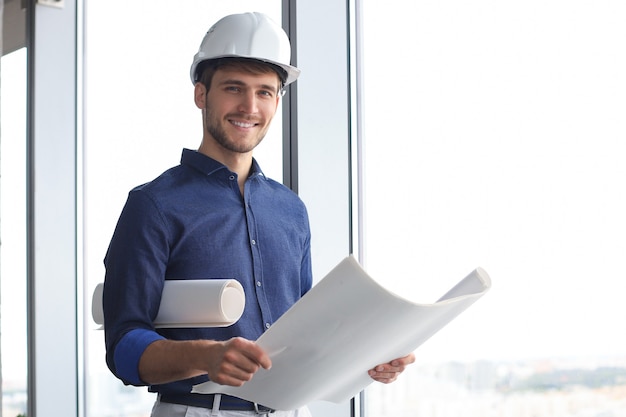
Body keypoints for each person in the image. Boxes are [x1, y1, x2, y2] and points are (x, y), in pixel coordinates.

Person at [102, 11, 415, 417]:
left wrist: (367, 360)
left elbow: (308, 335)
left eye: (265, 92)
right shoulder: (154, 206)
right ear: (201, 94)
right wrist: (206, 355)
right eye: (234, 88)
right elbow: (123, 348)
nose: (249, 106)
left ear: (278, 100)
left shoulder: (291, 211)